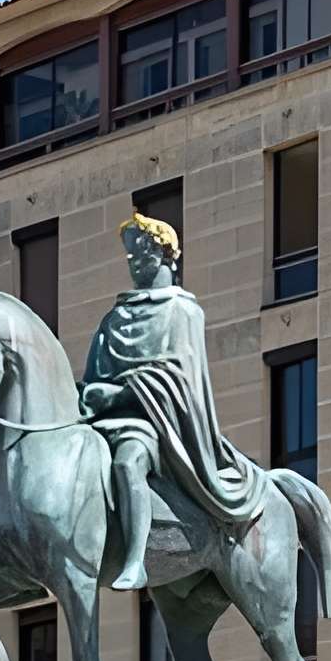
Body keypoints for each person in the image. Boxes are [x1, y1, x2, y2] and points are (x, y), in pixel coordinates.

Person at [76, 214, 270, 591]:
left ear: (163, 255)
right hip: (101, 422)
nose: (131, 263)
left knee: (128, 461)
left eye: (139, 254)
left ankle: (134, 560)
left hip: (152, 424)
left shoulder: (181, 311)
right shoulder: (114, 317)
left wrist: (122, 393)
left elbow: (179, 380)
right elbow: (94, 375)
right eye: (129, 256)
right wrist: (90, 393)